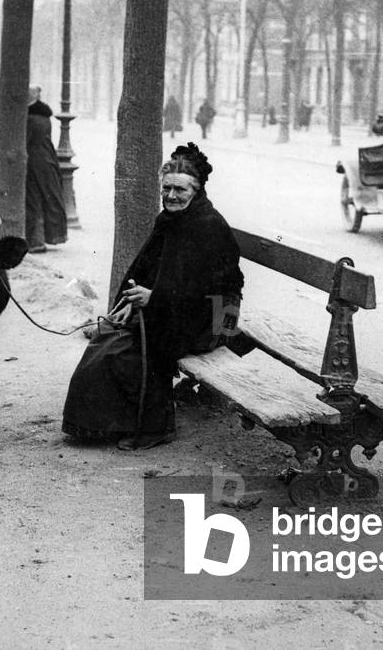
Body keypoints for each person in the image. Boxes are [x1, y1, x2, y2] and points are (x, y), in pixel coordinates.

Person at [62, 143, 244, 450]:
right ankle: (108, 424)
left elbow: (210, 288)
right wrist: (129, 303)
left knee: (138, 348)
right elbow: (145, 268)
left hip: (212, 316)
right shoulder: (170, 219)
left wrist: (156, 299)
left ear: (196, 191)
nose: (171, 196)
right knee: (107, 343)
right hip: (175, 307)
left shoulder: (208, 226)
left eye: (180, 190)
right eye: (167, 188)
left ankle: (156, 427)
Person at [25, 84, 68, 254]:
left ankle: (35, 241)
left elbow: (27, 141)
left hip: (34, 162)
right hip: (48, 160)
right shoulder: (44, 115)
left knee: (32, 199)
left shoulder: (30, 117)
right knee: (47, 198)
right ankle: (49, 237)